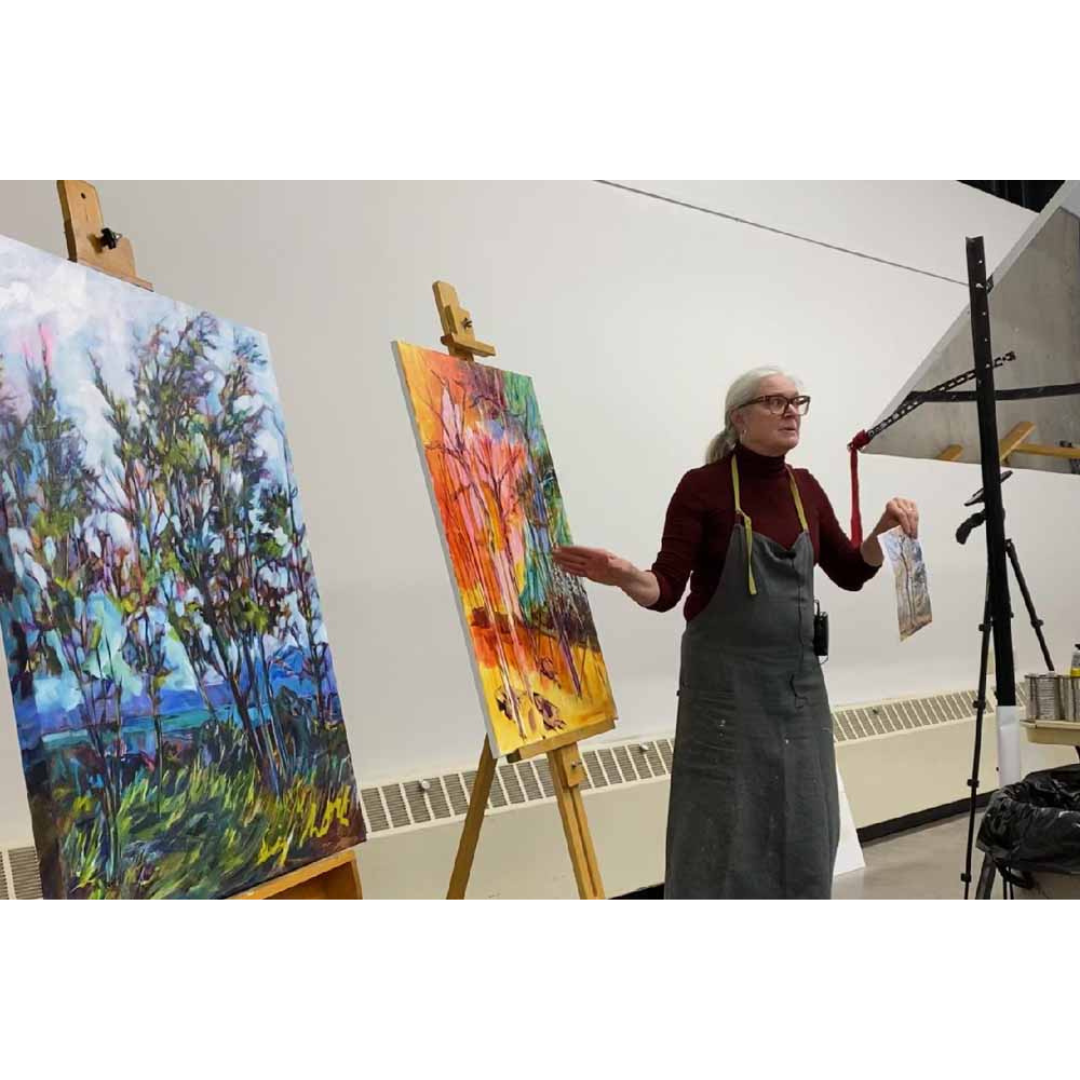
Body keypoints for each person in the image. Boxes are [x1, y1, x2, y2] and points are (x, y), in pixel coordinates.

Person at [553, 367, 919, 899]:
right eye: (775, 401)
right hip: (723, 696)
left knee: (805, 823)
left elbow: (849, 570)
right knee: (721, 829)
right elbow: (666, 589)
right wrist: (624, 575)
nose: (791, 410)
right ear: (738, 419)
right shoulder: (700, 488)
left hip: (797, 693)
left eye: (798, 401)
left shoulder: (806, 488)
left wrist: (882, 535)